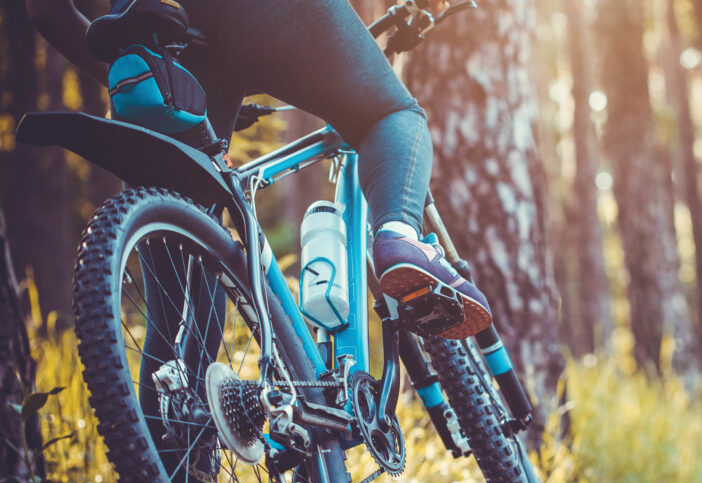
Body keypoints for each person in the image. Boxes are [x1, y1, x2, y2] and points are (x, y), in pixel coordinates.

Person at [25, 0, 491, 340]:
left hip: (154, 32)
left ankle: (166, 469)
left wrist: (162, 82)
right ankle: (398, 236)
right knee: (388, 115)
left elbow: (47, 12)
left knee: (175, 324)